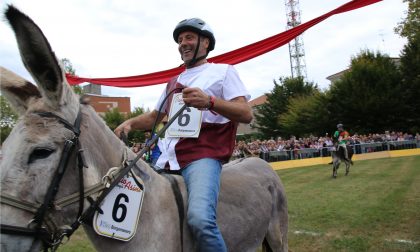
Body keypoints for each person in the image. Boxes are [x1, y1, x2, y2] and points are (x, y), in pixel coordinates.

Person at [114, 18, 252, 252]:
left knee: (200, 220)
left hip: (202, 156)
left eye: (189, 38)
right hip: (165, 159)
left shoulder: (223, 72)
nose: (183, 44)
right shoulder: (172, 82)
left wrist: (209, 101)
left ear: (205, 42)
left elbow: (246, 113)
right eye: (180, 40)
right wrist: (129, 122)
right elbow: (154, 116)